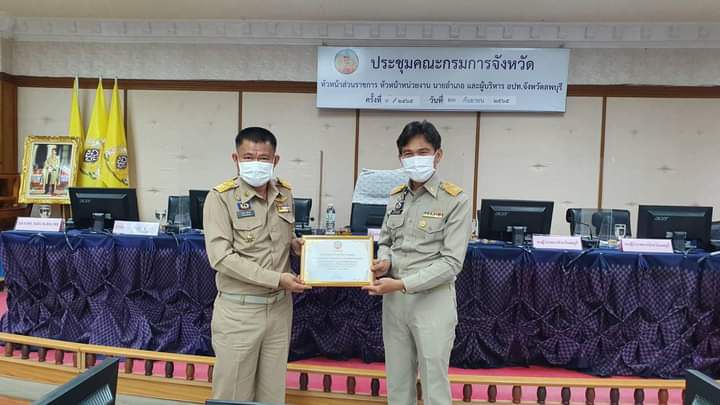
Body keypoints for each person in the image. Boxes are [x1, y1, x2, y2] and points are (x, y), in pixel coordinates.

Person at [363, 120, 472, 405]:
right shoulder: (396, 197)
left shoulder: (455, 200)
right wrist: (384, 262)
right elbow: (386, 241)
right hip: (394, 302)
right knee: (398, 383)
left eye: (423, 152)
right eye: (408, 154)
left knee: (435, 384)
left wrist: (401, 283)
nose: (415, 159)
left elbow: (452, 262)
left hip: (432, 302)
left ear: (438, 155)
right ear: (400, 157)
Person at [203, 126, 311, 403]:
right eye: (248, 157)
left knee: (272, 394)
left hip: (279, 309)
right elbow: (221, 257)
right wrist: (277, 278)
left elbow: (282, 237)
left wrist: (297, 246)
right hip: (240, 311)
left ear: (275, 160)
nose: (256, 164)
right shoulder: (221, 198)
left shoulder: (284, 193)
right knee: (233, 395)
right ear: (235, 159)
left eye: (263, 158)